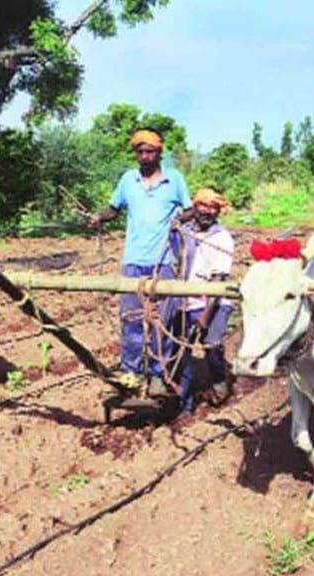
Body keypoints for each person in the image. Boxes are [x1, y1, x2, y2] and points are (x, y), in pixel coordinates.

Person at [88, 129, 195, 393]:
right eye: (140, 152)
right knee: (132, 319)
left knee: (162, 320)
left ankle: (159, 374)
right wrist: (99, 217)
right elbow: (114, 208)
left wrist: (178, 220)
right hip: (133, 261)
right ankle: (131, 371)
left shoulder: (175, 179)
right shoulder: (128, 179)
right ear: (136, 154)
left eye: (150, 152)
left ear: (159, 153)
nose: (145, 157)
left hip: (164, 261)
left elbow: (190, 208)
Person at [172, 187, 235, 412]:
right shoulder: (183, 231)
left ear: (218, 212)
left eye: (213, 208)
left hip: (212, 302)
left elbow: (218, 280)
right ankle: (185, 401)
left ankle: (218, 380)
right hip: (183, 299)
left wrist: (205, 318)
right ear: (195, 207)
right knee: (181, 351)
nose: (207, 211)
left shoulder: (222, 238)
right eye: (203, 206)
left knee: (211, 345)